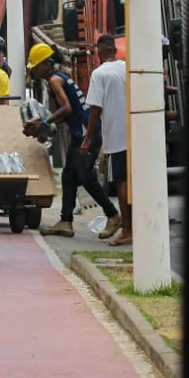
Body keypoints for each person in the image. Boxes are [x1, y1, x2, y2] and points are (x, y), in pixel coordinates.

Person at [23, 43, 121, 238]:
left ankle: (113, 215)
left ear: (46, 64)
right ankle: (65, 221)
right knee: (68, 177)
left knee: (87, 178)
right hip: (81, 133)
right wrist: (44, 124)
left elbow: (66, 108)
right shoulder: (59, 78)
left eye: (36, 67)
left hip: (86, 134)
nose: (34, 71)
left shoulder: (54, 80)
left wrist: (44, 122)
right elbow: (68, 113)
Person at [83, 34, 131, 244]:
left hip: (115, 138)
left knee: (121, 183)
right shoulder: (127, 68)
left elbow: (95, 108)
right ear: (115, 50)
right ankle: (135, 228)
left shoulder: (99, 74)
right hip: (134, 135)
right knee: (133, 182)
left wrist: (87, 139)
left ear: (99, 52)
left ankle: (127, 231)